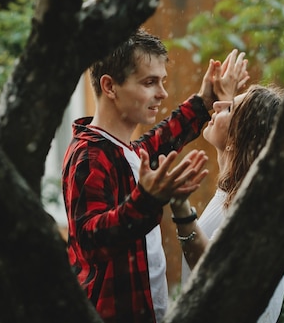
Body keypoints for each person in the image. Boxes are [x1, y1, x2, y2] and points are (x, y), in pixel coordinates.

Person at [62, 28, 249, 323]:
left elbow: (161, 139)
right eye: (150, 82)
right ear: (110, 87)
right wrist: (145, 202)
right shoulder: (89, 156)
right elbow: (90, 241)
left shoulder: (124, 151)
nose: (162, 92)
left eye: (162, 81)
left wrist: (205, 100)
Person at [170, 84, 284, 323]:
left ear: (237, 139)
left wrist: (181, 209)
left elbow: (211, 268)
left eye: (230, 107)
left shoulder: (254, 210)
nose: (216, 106)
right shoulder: (238, 195)